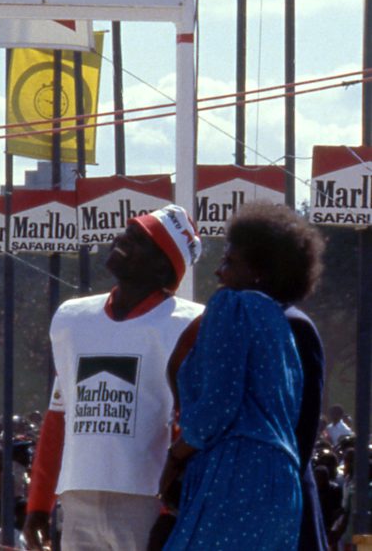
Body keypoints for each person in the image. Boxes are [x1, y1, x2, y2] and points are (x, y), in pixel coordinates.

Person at [23, 205, 205, 551]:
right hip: (78, 496)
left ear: (162, 266)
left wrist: (171, 511)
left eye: (139, 239)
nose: (122, 239)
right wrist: (39, 505)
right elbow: (59, 416)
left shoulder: (189, 325)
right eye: (127, 231)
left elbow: (192, 425)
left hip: (146, 501)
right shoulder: (72, 319)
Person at [158, 201, 323, 549]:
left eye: (229, 262)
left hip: (234, 476)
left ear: (260, 272)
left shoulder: (231, 306)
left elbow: (216, 408)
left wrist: (175, 457)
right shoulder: (282, 323)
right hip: (281, 485)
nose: (219, 273)